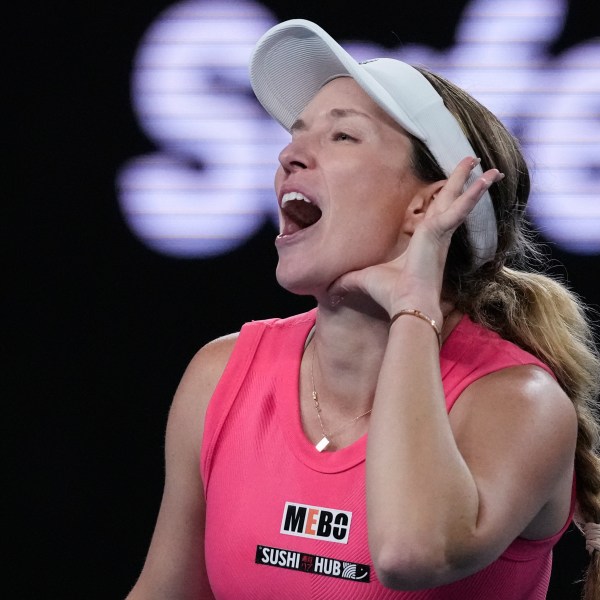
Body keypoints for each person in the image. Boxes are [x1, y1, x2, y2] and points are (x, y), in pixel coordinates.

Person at [126, 19, 600, 600]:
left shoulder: (518, 401)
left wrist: (411, 306)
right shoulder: (219, 375)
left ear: (429, 205)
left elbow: (411, 554)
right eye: (296, 135)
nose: (289, 154)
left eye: (342, 136)